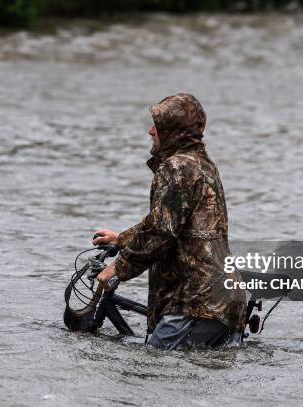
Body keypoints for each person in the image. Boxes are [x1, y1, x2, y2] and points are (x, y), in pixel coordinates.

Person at [93, 93, 246, 350]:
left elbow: (161, 231)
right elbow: (169, 220)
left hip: (194, 303)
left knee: (151, 368)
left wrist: (119, 268)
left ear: (174, 131)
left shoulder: (176, 167)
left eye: (159, 126)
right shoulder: (202, 164)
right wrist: (122, 239)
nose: (150, 131)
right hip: (223, 300)